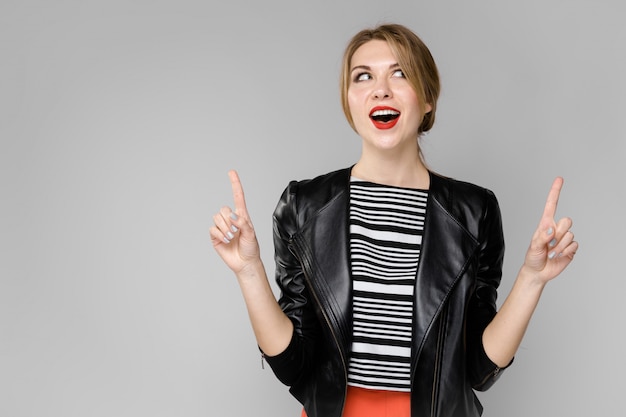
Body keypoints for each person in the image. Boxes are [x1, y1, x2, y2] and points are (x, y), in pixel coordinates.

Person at [210, 23, 578, 417]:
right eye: (363, 76)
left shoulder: (474, 212)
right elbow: (294, 365)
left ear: (427, 99)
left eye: (399, 73)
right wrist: (249, 271)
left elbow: (478, 371)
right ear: (349, 101)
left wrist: (532, 279)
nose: (380, 88)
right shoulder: (303, 207)